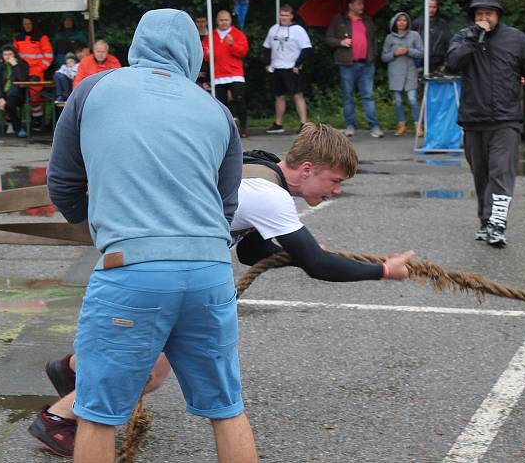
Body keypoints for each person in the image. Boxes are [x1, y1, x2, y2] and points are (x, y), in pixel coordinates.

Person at [32, 124, 415, 458]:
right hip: (166, 270)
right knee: (147, 376)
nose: (336, 191)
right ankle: (57, 419)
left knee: (148, 365)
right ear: (307, 169)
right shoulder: (271, 196)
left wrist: (300, 251)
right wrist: (382, 270)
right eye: (334, 181)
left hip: (163, 266)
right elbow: (318, 266)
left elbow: (249, 249)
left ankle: (73, 368)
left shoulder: (261, 166)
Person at [46, 8, 252, 463]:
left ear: (137, 43)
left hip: (131, 270)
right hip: (210, 272)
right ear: (193, 53)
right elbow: (226, 205)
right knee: (227, 409)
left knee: (97, 414)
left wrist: (100, 226)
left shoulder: (92, 89)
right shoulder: (217, 110)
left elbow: (61, 183)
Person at [446, 0, 525, 247]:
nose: (485, 17)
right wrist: (474, 36)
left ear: (498, 14)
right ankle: (486, 221)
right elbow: (452, 64)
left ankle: (497, 223)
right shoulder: (464, 37)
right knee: (481, 175)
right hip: (473, 119)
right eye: (480, 13)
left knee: (501, 174)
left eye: (489, 13)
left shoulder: (516, 39)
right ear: (474, 15)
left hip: (506, 119)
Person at [325, 0, 383, 138]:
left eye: (362, 4)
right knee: (348, 96)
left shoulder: (367, 20)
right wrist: (340, 42)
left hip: (367, 64)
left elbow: (374, 40)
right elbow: (328, 39)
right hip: (347, 64)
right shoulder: (338, 20)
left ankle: (374, 126)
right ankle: (350, 125)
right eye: (358, 3)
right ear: (350, 5)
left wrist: (373, 56)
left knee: (368, 96)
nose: (361, 6)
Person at [262, 4, 311, 133]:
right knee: (278, 96)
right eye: (282, 15)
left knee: (297, 95)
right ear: (279, 15)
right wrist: (267, 63)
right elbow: (267, 47)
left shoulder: (298, 30)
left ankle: (303, 123)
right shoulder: (273, 29)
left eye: (286, 15)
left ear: (291, 16)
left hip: (291, 67)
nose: (284, 18)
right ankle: (278, 124)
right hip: (277, 67)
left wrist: (297, 64)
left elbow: (306, 48)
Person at [203, 9, 250, 137]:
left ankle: (244, 128)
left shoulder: (237, 34)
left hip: (235, 73)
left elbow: (243, 51)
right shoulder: (210, 36)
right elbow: (205, 54)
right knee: (221, 104)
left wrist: (232, 45)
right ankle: (226, 130)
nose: (224, 22)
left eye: (226, 20)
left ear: (230, 20)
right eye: (221, 20)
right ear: (217, 21)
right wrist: (207, 54)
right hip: (218, 75)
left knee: (239, 100)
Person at [381, 12, 423, 136]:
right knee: (398, 101)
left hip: (410, 71)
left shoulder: (414, 35)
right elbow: (384, 57)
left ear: (408, 22)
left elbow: (422, 53)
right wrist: (394, 54)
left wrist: (408, 51)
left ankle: (418, 125)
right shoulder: (389, 38)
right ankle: (402, 125)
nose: (402, 22)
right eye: (399, 20)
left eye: (404, 20)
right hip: (395, 73)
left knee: (412, 99)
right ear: (395, 22)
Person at [13, 16, 54, 131]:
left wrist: (40, 68)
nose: (27, 26)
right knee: (17, 95)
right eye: (25, 23)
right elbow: (14, 54)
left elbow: (49, 56)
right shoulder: (18, 38)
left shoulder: (42, 37)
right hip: (22, 72)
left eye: (29, 23)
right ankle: (17, 122)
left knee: (35, 97)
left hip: (37, 72)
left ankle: (37, 121)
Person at [0, 45, 31, 138]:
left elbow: (22, 78)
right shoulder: (1, 66)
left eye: (10, 54)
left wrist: (15, 65)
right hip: (4, 93)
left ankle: (18, 128)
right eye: (5, 54)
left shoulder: (22, 64)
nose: (7, 56)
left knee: (10, 104)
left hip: (17, 93)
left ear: (15, 55)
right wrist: (1, 98)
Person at [411, 0, 451, 72]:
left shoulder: (442, 24)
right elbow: (411, 44)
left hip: (438, 64)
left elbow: (448, 44)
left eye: (434, 7)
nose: (431, 9)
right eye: (429, 7)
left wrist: (445, 63)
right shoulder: (417, 23)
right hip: (420, 63)